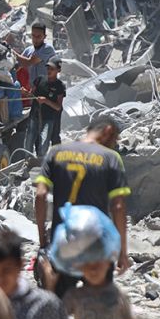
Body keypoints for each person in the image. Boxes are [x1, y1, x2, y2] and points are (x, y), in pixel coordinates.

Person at [34, 115, 131, 294]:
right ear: (108, 131)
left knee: (58, 306)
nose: (115, 144)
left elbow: (40, 195)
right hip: (97, 243)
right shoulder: (110, 157)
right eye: (115, 139)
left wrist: (42, 241)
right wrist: (122, 251)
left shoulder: (56, 151)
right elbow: (118, 206)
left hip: (63, 241)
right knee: (98, 304)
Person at [15, 23, 56, 154]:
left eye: (39, 36)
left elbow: (27, 62)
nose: (35, 39)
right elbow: (18, 67)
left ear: (44, 36)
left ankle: (42, 157)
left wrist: (11, 51)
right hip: (35, 94)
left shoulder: (47, 49)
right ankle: (36, 157)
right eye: (33, 36)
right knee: (34, 128)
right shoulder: (28, 50)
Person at [32, 57, 66, 157]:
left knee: (54, 138)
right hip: (41, 115)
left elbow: (58, 107)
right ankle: (40, 158)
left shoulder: (60, 86)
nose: (49, 71)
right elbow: (32, 94)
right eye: (48, 68)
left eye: (52, 69)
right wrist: (25, 93)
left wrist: (46, 101)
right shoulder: (40, 80)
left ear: (58, 70)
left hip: (53, 116)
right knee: (39, 138)